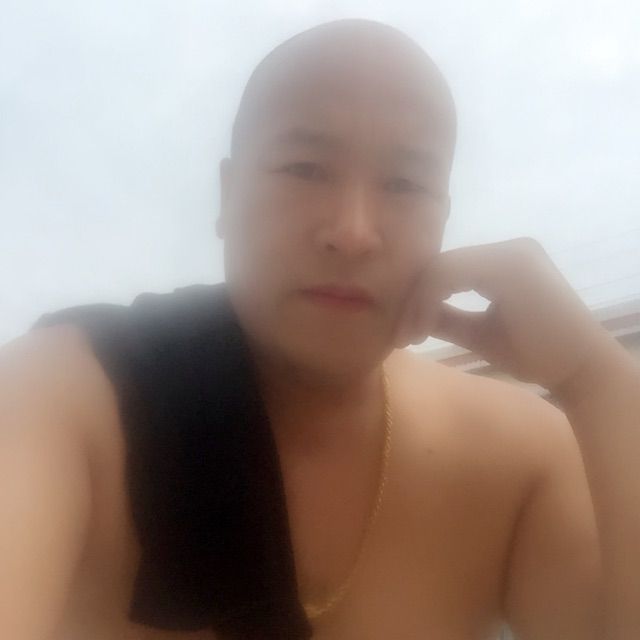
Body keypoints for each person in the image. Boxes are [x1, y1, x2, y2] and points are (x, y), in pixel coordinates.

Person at [1, 17, 639, 640]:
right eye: (304, 168)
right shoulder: (63, 400)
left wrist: (597, 378)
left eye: (404, 183)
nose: (353, 232)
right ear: (227, 195)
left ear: (442, 217)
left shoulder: (521, 459)